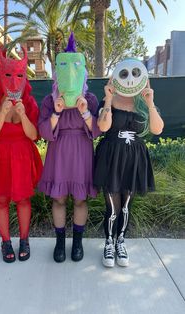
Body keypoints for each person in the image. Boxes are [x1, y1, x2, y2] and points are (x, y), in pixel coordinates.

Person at [94, 58, 164, 267]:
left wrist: (150, 104)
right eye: (124, 74)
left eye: (134, 74)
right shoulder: (109, 98)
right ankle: (109, 242)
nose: (130, 78)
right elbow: (103, 127)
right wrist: (108, 99)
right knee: (113, 207)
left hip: (135, 159)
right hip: (111, 157)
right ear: (117, 76)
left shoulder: (144, 103)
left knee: (125, 206)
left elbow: (157, 129)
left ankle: (120, 242)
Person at [0, 46, 43, 263]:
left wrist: (23, 117)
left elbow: (34, 136)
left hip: (23, 155)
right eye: (8, 74)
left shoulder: (29, 103)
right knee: (1, 200)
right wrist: (2, 113)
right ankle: (5, 242)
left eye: (20, 75)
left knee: (23, 200)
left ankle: (24, 240)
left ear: (25, 78)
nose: (14, 80)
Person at [38, 33, 101, 263]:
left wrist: (84, 111)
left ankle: (77, 243)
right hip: (59, 152)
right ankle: (59, 243)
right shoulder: (48, 101)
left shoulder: (91, 99)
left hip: (82, 153)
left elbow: (97, 131)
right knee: (59, 199)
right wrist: (57, 111)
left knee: (81, 200)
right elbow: (43, 132)